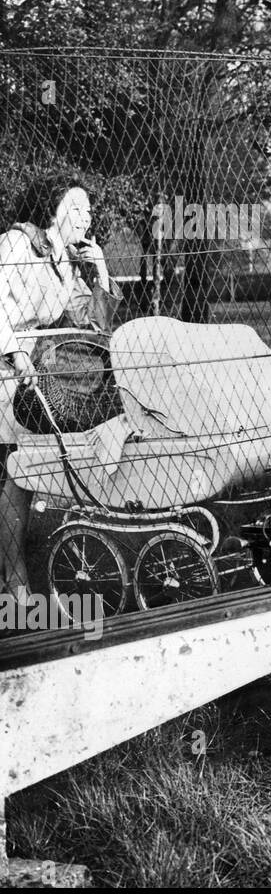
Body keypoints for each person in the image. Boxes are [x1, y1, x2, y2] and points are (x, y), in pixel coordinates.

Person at [1, 179, 121, 609]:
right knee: (17, 474)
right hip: (7, 365)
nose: (86, 217)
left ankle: (14, 582)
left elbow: (94, 325)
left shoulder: (63, 264)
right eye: (76, 208)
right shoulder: (17, 244)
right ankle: (14, 582)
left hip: (32, 375)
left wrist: (101, 268)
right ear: (52, 212)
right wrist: (16, 356)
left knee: (22, 472)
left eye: (89, 211)